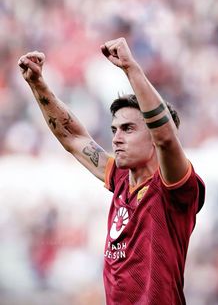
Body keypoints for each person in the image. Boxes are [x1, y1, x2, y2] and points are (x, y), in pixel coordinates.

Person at [18, 37, 205, 305]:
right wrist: (37, 84)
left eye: (128, 129)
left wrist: (131, 69)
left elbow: (166, 138)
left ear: (153, 136)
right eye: (114, 129)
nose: (116, 138)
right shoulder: (119, 179)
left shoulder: (174, 189)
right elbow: (73, 137)